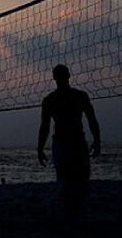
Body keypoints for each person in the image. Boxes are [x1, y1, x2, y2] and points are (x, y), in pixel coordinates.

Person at [37, 64, 101, 217]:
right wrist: (97, 140)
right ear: (69, 76)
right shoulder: (79, 96)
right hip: (74, 141)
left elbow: (44, 126)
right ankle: (74, 212)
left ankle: (72, 212)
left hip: (65, 142)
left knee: (67, 180)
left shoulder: (50, 100)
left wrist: (40, 149)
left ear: (54, 78)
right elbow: (92, 120)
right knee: (79, 179)